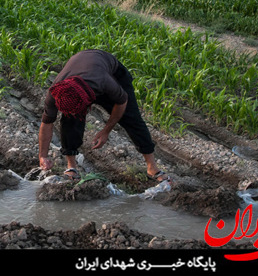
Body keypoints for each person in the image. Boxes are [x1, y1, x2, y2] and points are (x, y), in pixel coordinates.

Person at [38, 49, 170, 182]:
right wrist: (42, 156)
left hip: (112, 73)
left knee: (131, 118)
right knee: (70, 120)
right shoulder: (55, 92)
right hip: (83, 73)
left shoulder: (103, 81)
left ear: (86, 100)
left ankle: (152, 167)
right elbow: (46, 123)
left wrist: (106, 130)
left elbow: (122, 102)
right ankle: (71, 166)